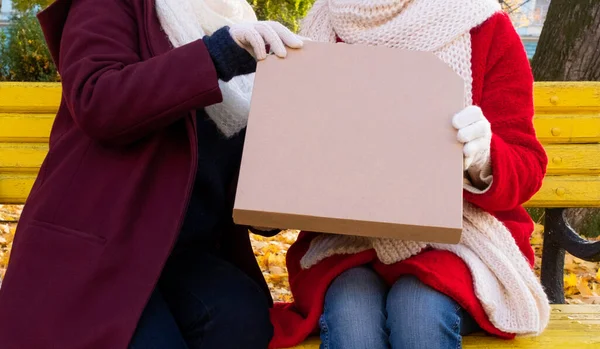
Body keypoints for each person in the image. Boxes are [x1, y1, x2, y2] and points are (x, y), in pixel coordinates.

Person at [0, 0, 302, 348]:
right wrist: (214, 55)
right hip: (103, 241)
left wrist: (270, 195)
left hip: (184, 251)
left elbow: (228, 163)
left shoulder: (243, 23)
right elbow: (97, 98)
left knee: (243, 321)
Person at [268, 0, 551, 348]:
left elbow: (527, 165)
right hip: (345, 242)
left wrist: (485, 158)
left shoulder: (482, 23)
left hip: (461, 242)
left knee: (418, 312)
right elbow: (292, 162)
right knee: (353, 318)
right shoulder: (320, 26)